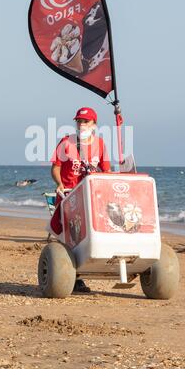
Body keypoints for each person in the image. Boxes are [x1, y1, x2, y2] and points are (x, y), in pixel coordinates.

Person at [50, 107, 111, 292]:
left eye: (85, 122)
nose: (81, 125)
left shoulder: (100, 144)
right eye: (79, 121)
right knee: (71, 237)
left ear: (94, 125)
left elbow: (106, 171)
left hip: (90, 196)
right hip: (69, 196)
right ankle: (74, 277)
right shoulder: (66, 142)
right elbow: (55, 168)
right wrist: (59, 183)